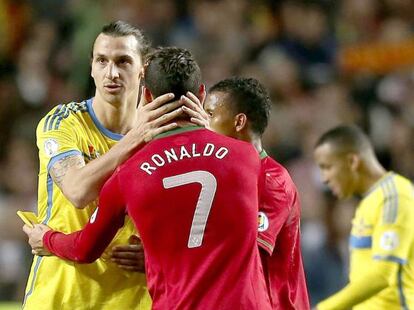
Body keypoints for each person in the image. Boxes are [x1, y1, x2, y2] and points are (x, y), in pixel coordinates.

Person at [24, 47, 272, 309]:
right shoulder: (246, 157)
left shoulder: (129, 173)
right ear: (201, 94)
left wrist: (48, 239)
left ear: (146, 95)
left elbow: (85, 249)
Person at [23, 21, 206, 310]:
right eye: (102, 61)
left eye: (123, 61)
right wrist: (136, 138)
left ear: (142, 70)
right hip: (62, 296)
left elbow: (197, 217)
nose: (112, 72)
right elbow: (77, 190)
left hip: (134, 300)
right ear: (92, 67)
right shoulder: (63, 123)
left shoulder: (167, 138)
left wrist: (163, 257)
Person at [203, 77, 310, 309]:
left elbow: (245, 254)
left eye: (210, 115)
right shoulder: (224, 176)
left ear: (239, 121)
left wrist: (168, 258)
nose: (203, 124)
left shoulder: (272, 180)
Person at [313, 125, 414, 310]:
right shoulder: (367, 203)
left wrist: (324, 308)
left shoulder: (395, 196)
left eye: (327, 167)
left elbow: (383, 275)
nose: (324, 179)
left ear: (352, 161)